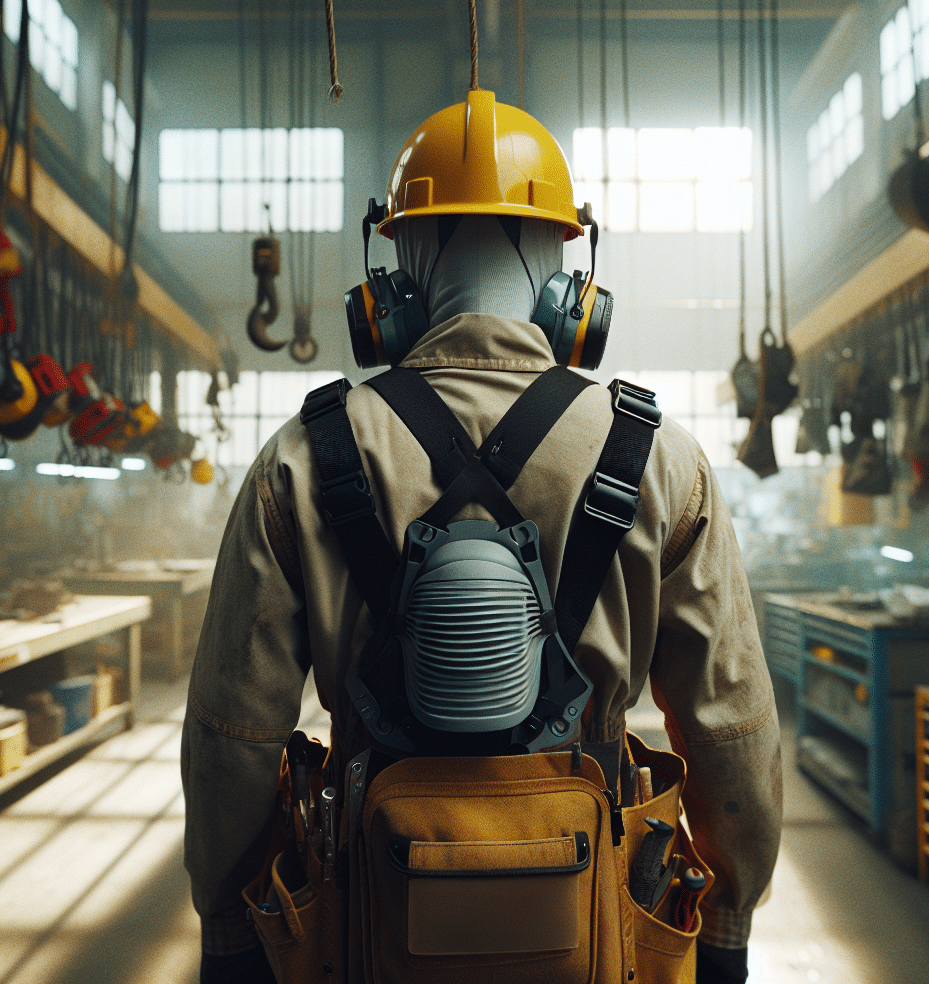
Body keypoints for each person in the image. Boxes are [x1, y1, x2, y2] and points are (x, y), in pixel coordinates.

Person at [182, 91, 781, 984]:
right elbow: (731, 726)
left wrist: (231, 929)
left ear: (392, 273)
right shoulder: (659, 458)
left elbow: (235, 734)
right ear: (571, 276)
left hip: (371, 925)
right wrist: (726, 919)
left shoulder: (304, 458)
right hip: (590, 929)